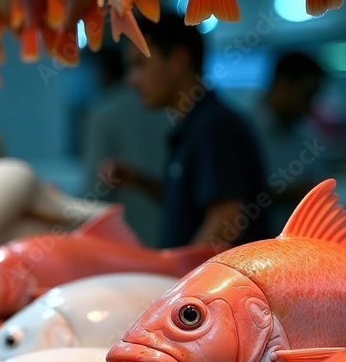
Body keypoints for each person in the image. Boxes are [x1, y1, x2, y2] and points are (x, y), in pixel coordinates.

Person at [100, 12, 271, 249]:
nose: (131, 80)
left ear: (178, 61)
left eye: (140, 64)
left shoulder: (213, 126)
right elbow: (187, 201)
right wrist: (138, 180)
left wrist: (181, 282)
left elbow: (227, 218)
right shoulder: (194, 125)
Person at [82, 47, 169, 246]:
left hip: (125, 242)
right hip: (175, 241)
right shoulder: (172, 110)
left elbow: (94, 193)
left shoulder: (104, 116)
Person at [245, 50, 327, 233]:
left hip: (299, 247)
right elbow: (236, 195)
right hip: (253, 248)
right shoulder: (243, 129)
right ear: (283, 84)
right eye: (305, 95)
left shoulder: (306, 134)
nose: (309, 105)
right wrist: (290, 194)